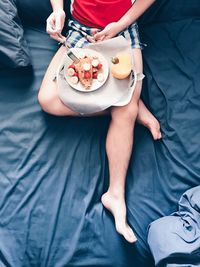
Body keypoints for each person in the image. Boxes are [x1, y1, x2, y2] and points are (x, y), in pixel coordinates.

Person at [38, 0, 161, 243]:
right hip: (81, 29)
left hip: (122, 29)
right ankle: (131, 105)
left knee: (125, 107)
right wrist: (57, 11)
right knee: (47, 100)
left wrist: (122, 24)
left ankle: (115, 194)